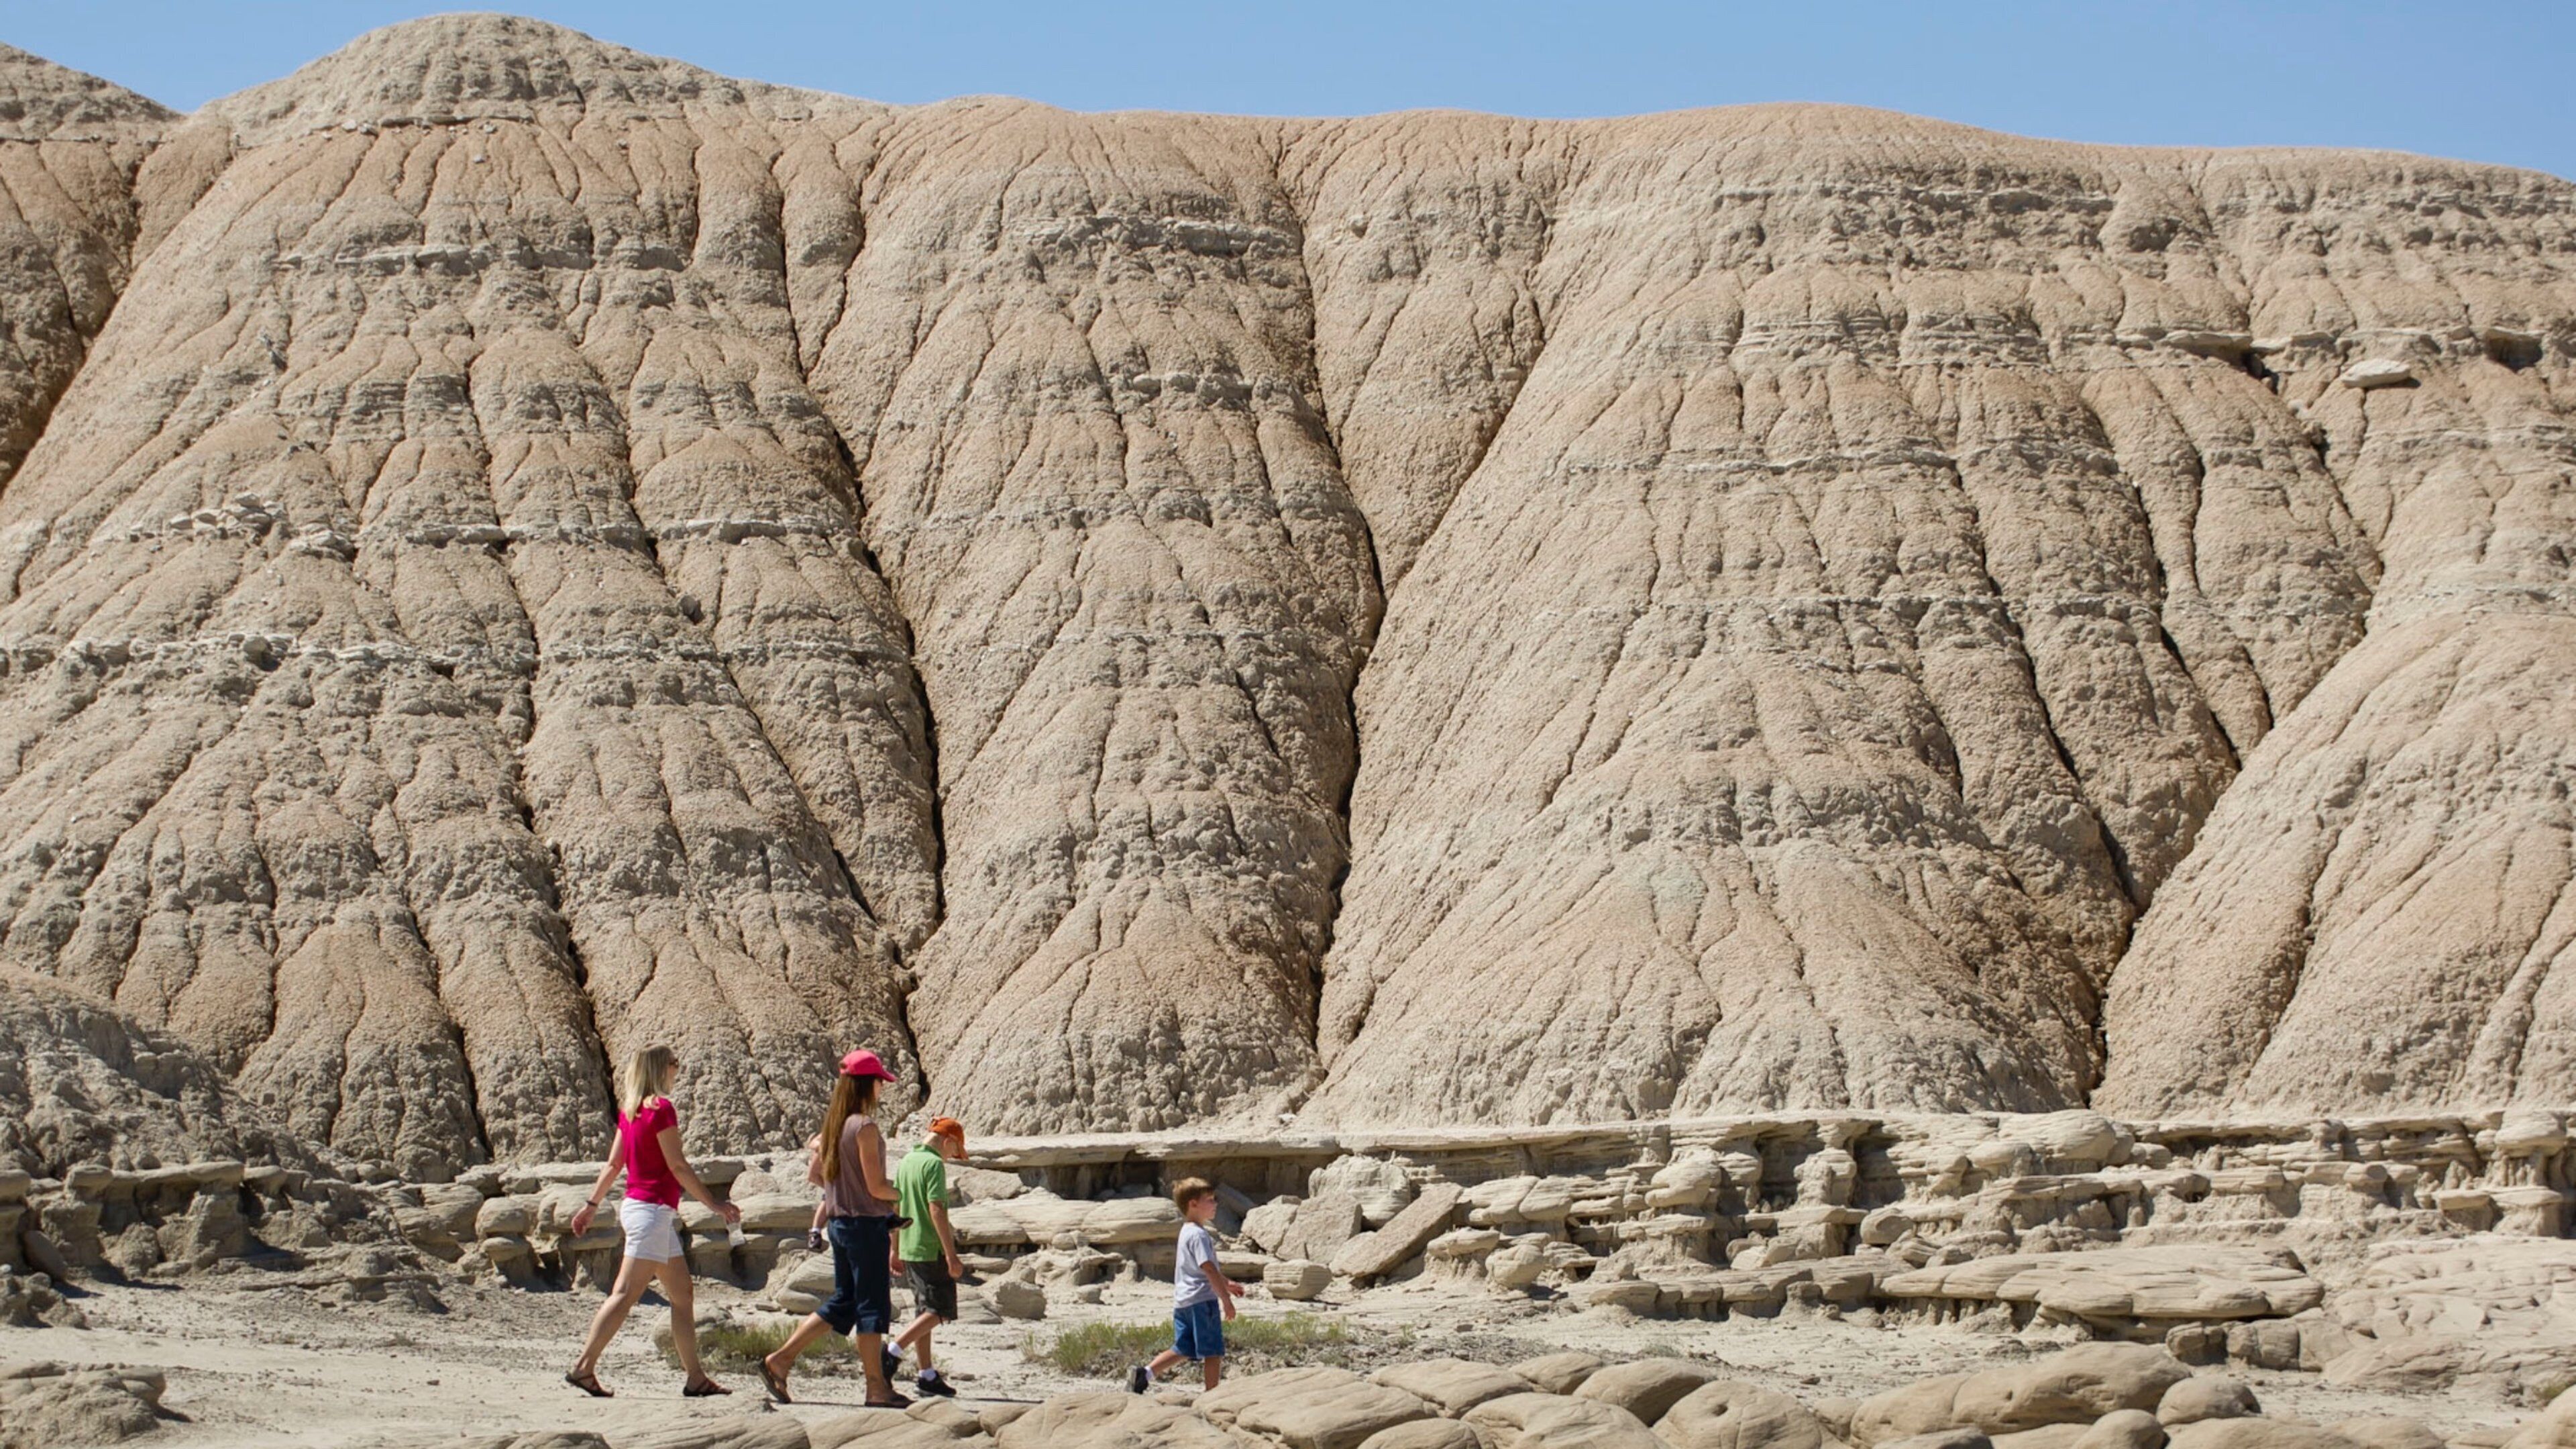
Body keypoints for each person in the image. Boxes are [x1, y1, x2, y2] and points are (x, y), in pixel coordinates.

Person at [564, 1045, 743, 1399]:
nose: (678, 1069)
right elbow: (677, 1165)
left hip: (643, 1210)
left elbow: (614, 1165)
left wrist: (591, 1205)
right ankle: (583, 1367)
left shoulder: (629, 1111)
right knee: (624, 1293)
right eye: (675, 1063)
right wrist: (714, 1204)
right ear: (662, 1068)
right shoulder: (661, 1109)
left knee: (682, 1294)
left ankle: (695, 1378)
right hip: (652, 1213)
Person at [759, 1049, 906, 1407]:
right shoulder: (864, 1127)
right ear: (868, 1084)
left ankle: (781, 1360)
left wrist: (844, 1189)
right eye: (880, 1082)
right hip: (865, 1227)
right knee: (871, 1308)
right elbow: (877, 1186)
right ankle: (876, 1388)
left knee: (844, 1302)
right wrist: (902, 1193)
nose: (882, 1088)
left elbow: (815, 1176)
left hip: (839, 1225)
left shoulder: (834, 1127)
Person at [1128, 1177, 1241, 1393]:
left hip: (1183, 1302)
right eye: (1210, 1200)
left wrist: (1227, 1283)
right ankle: (1211, 1395)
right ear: (1193, 1204)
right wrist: (1226, 1300)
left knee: (1184, 1347)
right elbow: (1208, 1268)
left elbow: (1201, 1268)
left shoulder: (1186, 1231)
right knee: (1213, 1351)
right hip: (1202, 1301)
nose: (1215, 1204)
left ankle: (1145, 1374)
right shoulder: (1199, 1235)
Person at [882, 1117, 969, 1397]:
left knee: (924, 1311)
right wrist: (951, 1255)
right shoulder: (933, 1164)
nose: (952, 1156)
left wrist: (895, 1248)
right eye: (955, 1150)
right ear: (948, 1141)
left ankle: (926, 1375)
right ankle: (892, 1352)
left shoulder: (907, 1161)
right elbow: (936, 1209)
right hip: (930, 1247)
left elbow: (895, 1207)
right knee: (941, 1310)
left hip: (909, 1246)